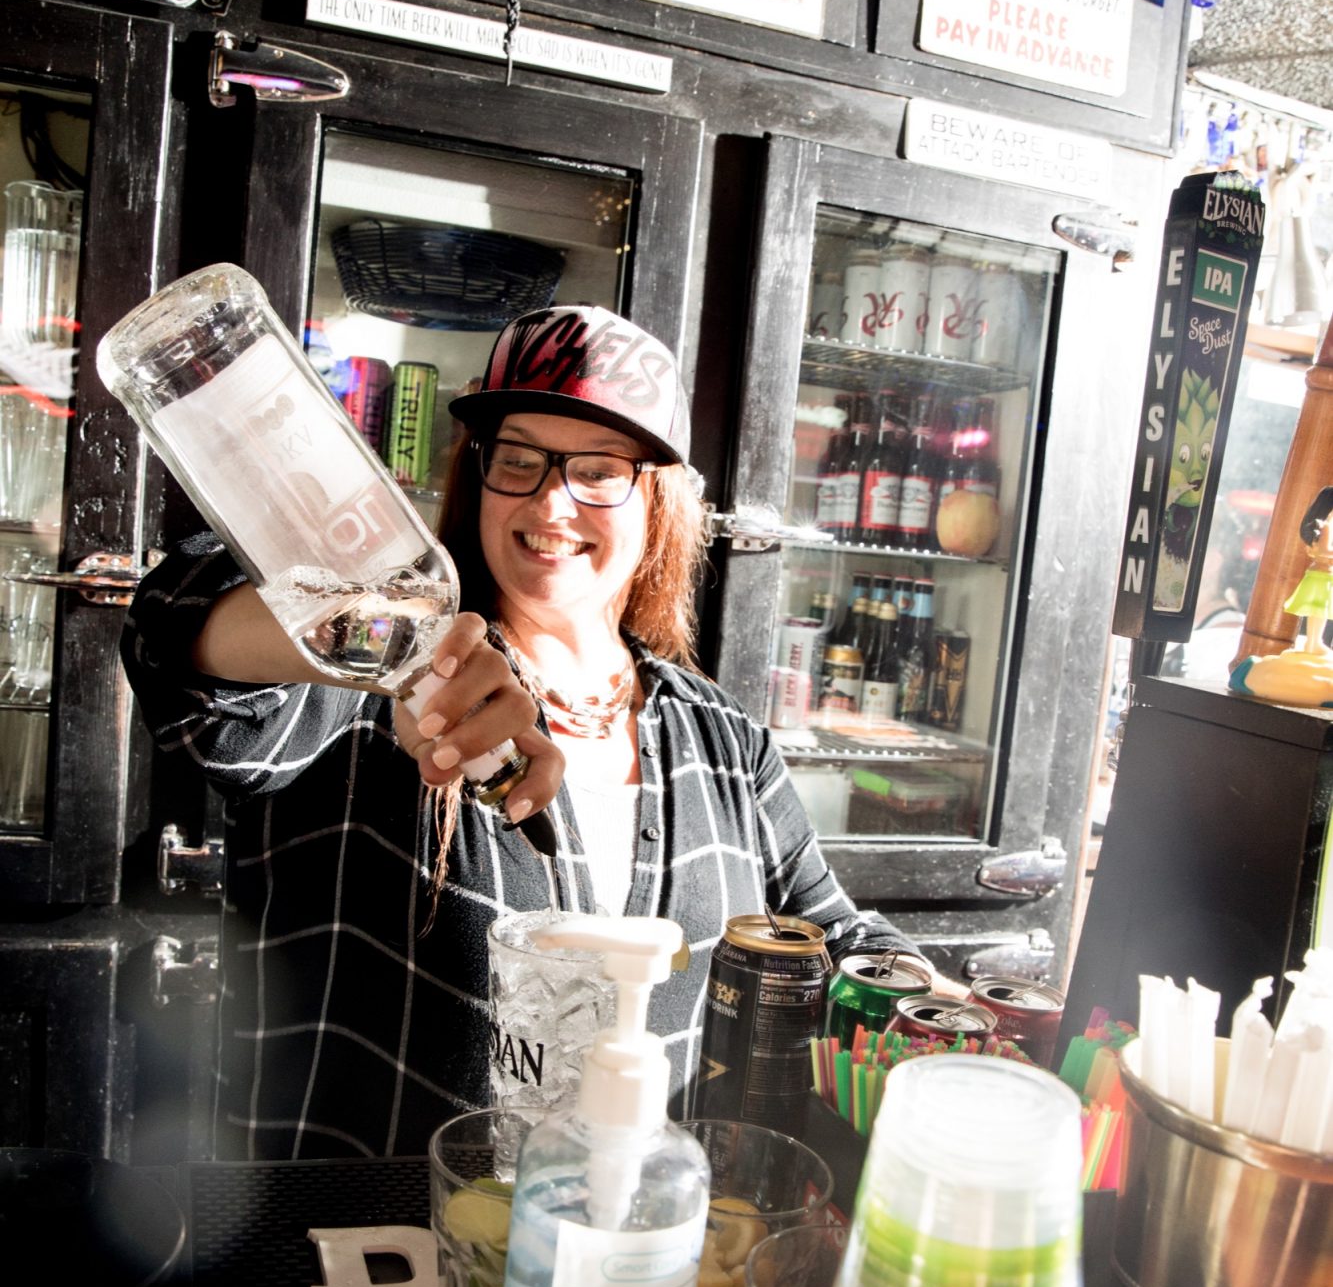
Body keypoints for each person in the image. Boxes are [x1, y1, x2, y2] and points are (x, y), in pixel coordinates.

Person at [121, 303, 934, 1160]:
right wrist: (389, 649)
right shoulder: (373, 693)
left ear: (657, 504)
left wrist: (937, 1013)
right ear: (479, 477)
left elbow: (833, 939)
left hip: (635, 1268)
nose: (551, 497)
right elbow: (172, 634)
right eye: (518, 460)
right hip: (365, 1262)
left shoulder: (722, 737)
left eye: (598, 469)